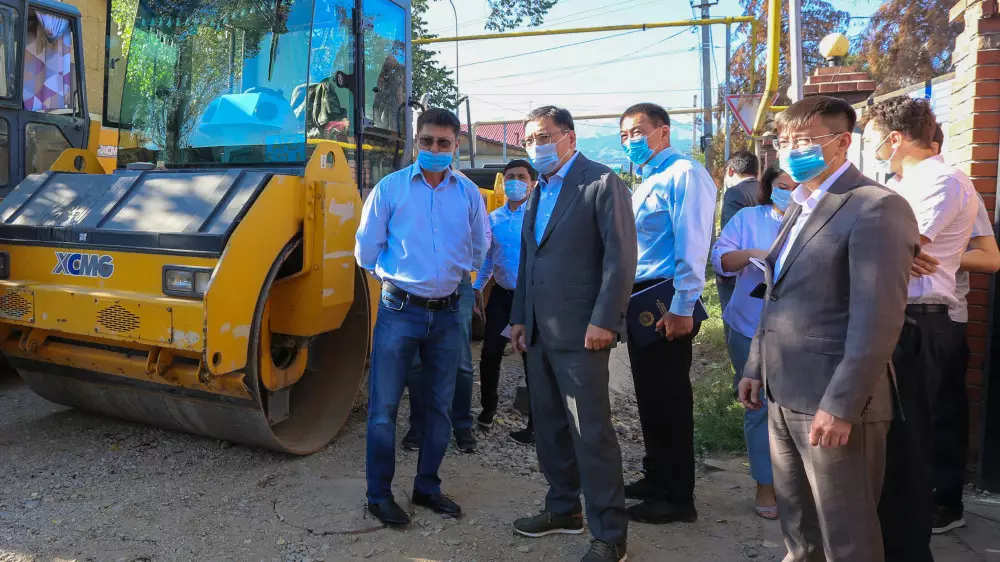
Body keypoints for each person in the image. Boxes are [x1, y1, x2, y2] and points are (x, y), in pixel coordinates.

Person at [737, 95, 920, 562]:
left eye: (804, 141)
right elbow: (776, 293)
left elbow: (877, 318)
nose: (791, 151)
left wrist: (841, 404)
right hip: (783, 390)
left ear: (842, 142)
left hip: (833, 401)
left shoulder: (876, 207)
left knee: (847, 534)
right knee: (800, 527)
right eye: (784, 141)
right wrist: (756, 366)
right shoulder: (800, 205)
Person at [509, 106, 637, 562]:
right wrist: (520, 317)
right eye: (529, 140)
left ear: (570, 137)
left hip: (584, 333)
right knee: (549, 426)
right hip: (540, 332)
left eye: (544, 137)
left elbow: (620, 258)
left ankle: (610, 534)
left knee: (590, 432)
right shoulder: (538, 190)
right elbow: (530, 260)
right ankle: (563, 508)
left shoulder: (600, 183)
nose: (536, 146)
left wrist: (606, 319)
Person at [355, 107, 487, 527]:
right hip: (399, 312)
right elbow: (366, 250)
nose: (434, 148)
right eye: (427, 140)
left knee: (439, 407)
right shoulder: (390, 189)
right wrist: (400, 281)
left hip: (447, 314)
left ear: (456, 145)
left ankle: (427, 487)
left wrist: (452, 281)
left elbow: (479, 246)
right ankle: (378, 496)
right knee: (383, 409)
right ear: (416, 141)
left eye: (443, 142)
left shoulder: (468, 193)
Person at [861, 96, 977, 562]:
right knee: (889, 444)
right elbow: (889, 250)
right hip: (896, 315)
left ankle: (907, 551)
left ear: (894, 138)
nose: (868, 147)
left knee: (908, 448)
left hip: (917, 322)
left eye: (870, 138)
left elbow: (895, 249)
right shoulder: (902, 183)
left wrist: (890, 250)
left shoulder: (942, 181)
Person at [618, 102, 717, 524]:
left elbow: (692, 243)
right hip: (642, 300)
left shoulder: (685, 174)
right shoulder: (649, 178)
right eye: (625, 135)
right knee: (651, 398)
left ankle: (677, 497)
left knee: (670, 400)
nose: (631, 141)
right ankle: (657, 476)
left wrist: (682, 307)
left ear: (663, 131)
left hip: (665, 301)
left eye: (638, 131)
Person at [926, 125, 1000, 534]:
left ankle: (946, 502)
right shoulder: (893, 189)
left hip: (946, 319)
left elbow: (990, 258)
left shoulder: (956, 189)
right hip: (898, 318)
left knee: (944, 413)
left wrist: (938, 256)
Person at [711, 163, 794, 521]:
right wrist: (753, 255)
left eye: (796, 186)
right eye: (782, 186)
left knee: (796, 409)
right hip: (748, 325)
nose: (789, 193)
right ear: (769, 186)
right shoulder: (748, 219)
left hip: (798, 331)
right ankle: (765, 484)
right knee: (758, 405)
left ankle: (797, 484)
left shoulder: (816, 218)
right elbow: (721, 260)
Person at [403, 186, 490, 455]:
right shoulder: (403, 188)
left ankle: (461, 424)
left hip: (456, 284)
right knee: (417, 362)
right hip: (415, 284)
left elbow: (482, 238)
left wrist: (462, 268)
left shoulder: (465, 191)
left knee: (460, 361)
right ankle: (419, 425)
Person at [474, 159, 536, 445]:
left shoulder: (538, 217)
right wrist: (477, 287)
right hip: (502, 295)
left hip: (530, 297)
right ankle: (488, 409)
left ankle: (535, 422)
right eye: (510, 177)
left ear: (532, 183)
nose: (515, 182)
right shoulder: (494, 218)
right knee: (490, 353)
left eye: (521, 177)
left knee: (531, 357)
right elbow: (489, 257)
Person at [717, 151, 762, 340]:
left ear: (730, 171)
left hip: (739, 272)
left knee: (736, 331)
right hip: (764, 268)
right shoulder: (766, 190)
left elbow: (730, 236)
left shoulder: (734, 193)